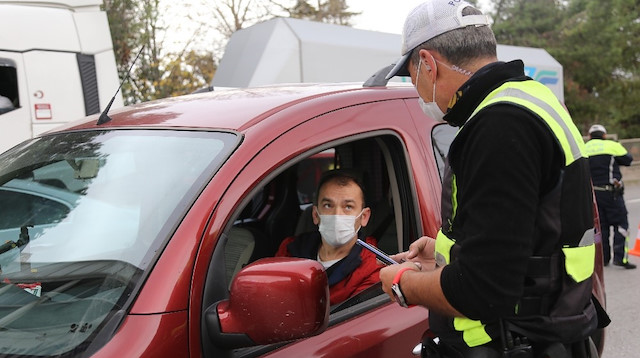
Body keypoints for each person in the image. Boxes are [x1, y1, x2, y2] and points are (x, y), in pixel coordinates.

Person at [380, 1, 607, 357]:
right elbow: (526, 236)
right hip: (551, 336)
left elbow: (483, 290)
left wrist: (402, 284)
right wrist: (445, 256)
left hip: (514, 344)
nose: (415, 86)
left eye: (410, 74)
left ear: (427, 63)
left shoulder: (498, 127)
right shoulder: (530, 100)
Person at [275, 169, 382, 305]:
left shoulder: (372, 269)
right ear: (315, 214)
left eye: (348, 207)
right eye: (328, 205)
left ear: (364, 217)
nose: (337, 215)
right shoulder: (289, 250)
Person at [585, 124, 636, 269]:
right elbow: (628, 160)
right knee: (621, 224)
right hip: (612, 193)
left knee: (601, 227)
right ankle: (620, 258)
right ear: (604, 135)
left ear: (589, 136)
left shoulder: (584, 147)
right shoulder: (612, 145)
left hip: (593, 195)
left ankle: (603, 259)